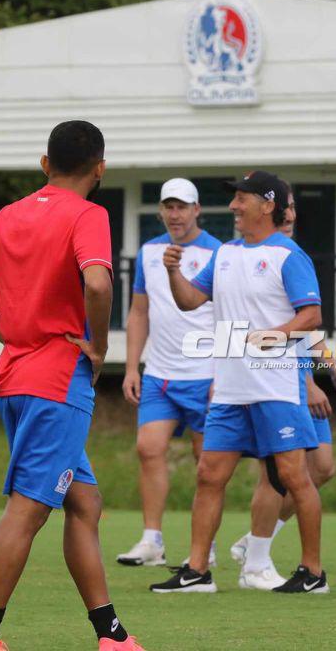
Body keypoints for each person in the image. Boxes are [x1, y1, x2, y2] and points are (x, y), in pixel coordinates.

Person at [0, 121, 144, 651]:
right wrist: (97, 345)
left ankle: (111, 635)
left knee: (85, 502)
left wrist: (0, 326)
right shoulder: (89, 214)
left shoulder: (9, 215)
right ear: (100, 168)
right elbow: (97, 281)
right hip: (57, 381)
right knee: (29, 509)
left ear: (44, 162)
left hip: (15, 377)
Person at [149, 170, 329, 595]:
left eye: (242, 199)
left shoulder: (289, 255)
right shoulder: (225, 253)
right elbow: (191, 300)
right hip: (230, 389)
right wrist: (174, 272)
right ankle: (196, 571)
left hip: (275, 388)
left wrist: (270, 337)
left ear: (267, 205)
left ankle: (313, 573)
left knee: (294, 476)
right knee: (209, 474)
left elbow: (311, 317)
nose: (233, 206)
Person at [229, 183, 336, 581]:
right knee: (280, 475)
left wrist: (331, 367)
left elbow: (305, 324)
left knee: (322, 469)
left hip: (297, 378)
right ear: (270, 209)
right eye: (288, 207)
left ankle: (256, 541)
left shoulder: (289, 256)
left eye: (296, 207)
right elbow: (268, 328)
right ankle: (257, 560)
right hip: (277, 382)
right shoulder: (253, 257)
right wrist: (308, 383)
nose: (293, 215)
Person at [116, 178, 222, 568]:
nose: (175, 214)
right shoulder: (148, 252)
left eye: (182, 207)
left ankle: (203, 547)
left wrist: (221, 375)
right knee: (148, 449)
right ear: (161, 210)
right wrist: (131, 367)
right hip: (159, 373)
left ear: (197, 210)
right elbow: (139, 311)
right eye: (168, 207)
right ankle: (151, 540)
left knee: (207, 464)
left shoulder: (219, 253)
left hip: (205, 375)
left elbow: (229, 316)